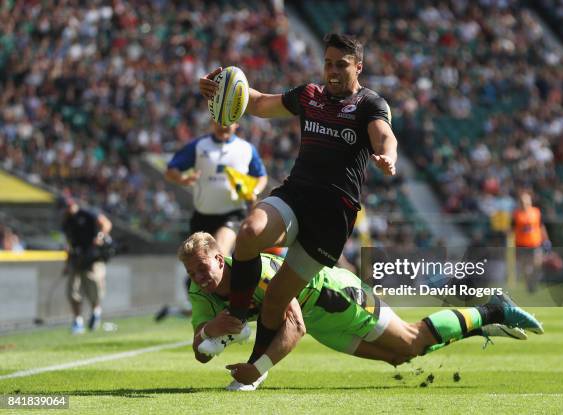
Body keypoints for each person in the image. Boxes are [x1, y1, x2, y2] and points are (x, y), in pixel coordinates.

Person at [199, 33, 399, 367]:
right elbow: (260, 102)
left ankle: (253, 369)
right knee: (249, 232)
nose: (332, 71)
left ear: (358, 68)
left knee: (277, 298)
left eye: (341, 65)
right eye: (328, 63)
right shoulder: (309, 95)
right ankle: (235, 321)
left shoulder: (370, 104)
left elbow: (385, 136)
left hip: (333, 215)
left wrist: (387, 156)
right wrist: (224, 89)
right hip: (296, 195)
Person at [178, 232, 542, 391]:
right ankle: (477, 328)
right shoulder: (201, 291)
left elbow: (294, 327)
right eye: (192, 272)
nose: (199, 277)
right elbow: (199, 353)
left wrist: (256, 371)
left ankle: (492, 310)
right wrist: (210, 330)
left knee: (412, 340)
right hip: (324, 324)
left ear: (220, 259)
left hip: (337, 295)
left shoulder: (257, 272)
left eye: (203, 267)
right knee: (399, 358)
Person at [155, 120, 268, 322]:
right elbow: (171, 169)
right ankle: (213, 312)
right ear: (211, 123)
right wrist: (182, 179)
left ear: (237, 124)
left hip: (233, 214)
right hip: (202, 217)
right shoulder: (199, 146)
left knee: (219, 256)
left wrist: (255, 190)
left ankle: (235, 313)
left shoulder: (245, 149)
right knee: (199, 265)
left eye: (228, 121)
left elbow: (261, 176)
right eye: (219, 121)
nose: (223, 125)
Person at [61, 197, 112, 334]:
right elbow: (68, 243)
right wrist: (67, 263)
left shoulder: (87, 213)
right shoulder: (66, 221)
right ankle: (78, 321)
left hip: (92, 256)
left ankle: (96, 312)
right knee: (73, 290)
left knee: (94, 288)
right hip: (76, 258)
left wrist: (100, 237)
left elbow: (106, 224)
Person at [512, 190, 550, 292]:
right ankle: (529, 284)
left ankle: (532, 281)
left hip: (535, 244)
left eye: (527, 202)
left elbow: (541, 226)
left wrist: (546, 239)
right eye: (523, 202)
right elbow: (511, 229)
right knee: (525, 267)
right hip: (521, 245)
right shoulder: (516, 214)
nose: (525, 204)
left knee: (537, 264)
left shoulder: (536, 212)